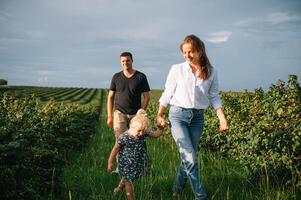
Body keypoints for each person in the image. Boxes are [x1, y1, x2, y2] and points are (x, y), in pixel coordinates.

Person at [156, 34, 229, 200]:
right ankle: (201, 196)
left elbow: (214, 97)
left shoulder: (211, 72)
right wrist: (159, 114)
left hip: (197, 119)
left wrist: (222, 118)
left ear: (200, 51)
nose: (187, 55)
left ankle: (176, 190)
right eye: (184, 52)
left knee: (187, 157)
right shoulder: (177, 69)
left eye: (191, 52)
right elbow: (168, 93)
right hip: (178, 116)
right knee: (190, 157)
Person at [107, 52, 151, 172]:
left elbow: (147, 97)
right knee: (120, 140)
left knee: (138, 139)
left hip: (135, 115)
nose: (125, 63)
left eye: (127, 60)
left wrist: (140, 113)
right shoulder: (116, 77)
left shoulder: (141, 77)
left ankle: (142, 167)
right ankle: (120, 168)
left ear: (132, 61)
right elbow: (110, 97)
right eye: (123, 61)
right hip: (119, 113)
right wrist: (110, 116)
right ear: (120, 62)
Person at [107, 109, 165, 200]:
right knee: (129, 181)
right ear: (131, 127)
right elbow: (115, 149)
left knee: (128, 177)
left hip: (138, 162)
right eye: (139, 131)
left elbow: (155, 134)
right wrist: (110, 162)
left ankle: (118, 188)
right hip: (126, 163)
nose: (141, 133)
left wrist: (161, 128)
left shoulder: (143, 132)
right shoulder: (124, 137)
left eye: (143, 131)